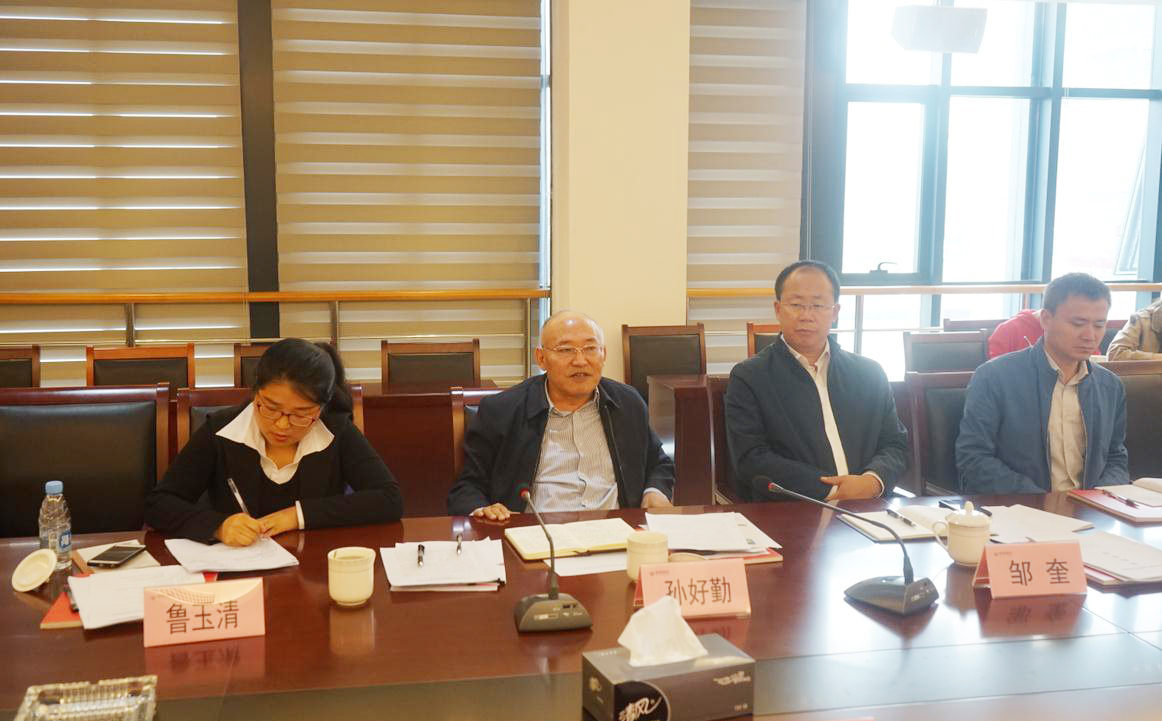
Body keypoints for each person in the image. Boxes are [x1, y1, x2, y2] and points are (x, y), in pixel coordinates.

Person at [146, 338, 403, 545]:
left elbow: (389, 499)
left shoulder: (336, 431)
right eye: (270, 408)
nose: (282, 425)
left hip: (314, 571)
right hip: (237, 571)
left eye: (301, 414)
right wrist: (218, 526)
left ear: (321, 408)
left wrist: (296, 515)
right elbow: (159, 504)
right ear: (256, 393)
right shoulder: (221, 431)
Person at [447, 311, 675, 520]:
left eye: (590, 348)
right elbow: (467, 488)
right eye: (566, 350)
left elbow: (658, 462)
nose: (580, 361)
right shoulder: (502, 411)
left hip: (617, 531)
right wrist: (483, 509)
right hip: (538, 534)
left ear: (603, 354)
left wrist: (654, 491)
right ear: (541, 358)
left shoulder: (627, 403)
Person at [725, 260, 908, 502]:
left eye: (818, 305)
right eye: (796, 305)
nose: (806, 316)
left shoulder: (870, 373)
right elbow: (752, 458)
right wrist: (832, 491)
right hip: (794, 509)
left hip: (871, 505)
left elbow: (895, 444)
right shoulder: (749, 377)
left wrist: (873, 481)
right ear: (778, 309)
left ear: (835, 312)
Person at [957, 273, 1128, 494]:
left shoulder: (1110, 386)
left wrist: (1098, 498)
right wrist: (1043, 501)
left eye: (1099, 325)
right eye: (1078, 324)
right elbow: (973, 459)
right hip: (1022, 506)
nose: (1090, 336)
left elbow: (1116, 457)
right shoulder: (995, 378)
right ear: (1046, 319)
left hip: (1091, 507)